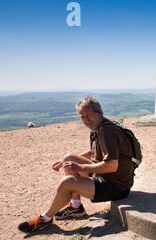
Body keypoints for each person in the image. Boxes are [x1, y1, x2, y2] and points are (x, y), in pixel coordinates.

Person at [18, 96, 136, 233]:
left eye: (88, 115)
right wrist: (66, 162)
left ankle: (46, 218)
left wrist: (79, 167)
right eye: (82, 117)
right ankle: (76, 206)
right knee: (69, 157)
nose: (85, 120)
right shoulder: (101, 127)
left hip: (116, 186)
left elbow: (111, 165)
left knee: (67, 182)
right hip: (109, 176)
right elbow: (94, 152)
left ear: (100, 113)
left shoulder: (108, 131)